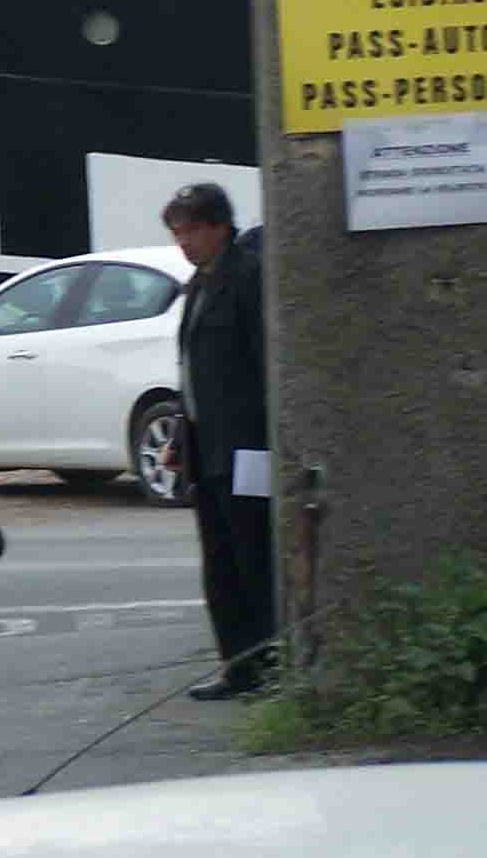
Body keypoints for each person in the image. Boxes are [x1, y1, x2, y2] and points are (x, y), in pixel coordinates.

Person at [165, 182, 274, 700]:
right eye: (177, 233)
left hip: (245, 446)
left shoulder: (246, 278)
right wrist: (180, 437)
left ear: (218, 227)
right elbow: (193, 370)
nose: (183, 243)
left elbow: (263, 364)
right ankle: (238, 665)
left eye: (190, 231)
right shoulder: (199, 285)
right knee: (220, 563)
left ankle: (270, 665)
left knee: (254, 558)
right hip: (204, 447)